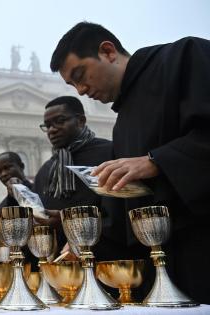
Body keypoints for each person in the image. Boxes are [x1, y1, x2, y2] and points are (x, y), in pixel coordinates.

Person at [50, 21, 210, 303]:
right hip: (166, 269)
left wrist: (156, 161)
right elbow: (122, 215)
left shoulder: (184, 56)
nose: (82, 90)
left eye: (80, 74)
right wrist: (85, 241)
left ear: (108, 51)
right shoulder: (121, 126)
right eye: (73, 84)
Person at [33, 96, 138, 262]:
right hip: (60, 264)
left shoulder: (111, 153)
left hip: (107, 259)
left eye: (59, 121)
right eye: (47, 126)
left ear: (81, 120)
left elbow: (121, 214)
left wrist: (69, 223)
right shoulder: (45, 171)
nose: (52, 129)